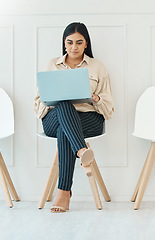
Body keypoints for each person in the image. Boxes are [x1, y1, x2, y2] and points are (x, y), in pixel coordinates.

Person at [33, 22, 114, 213]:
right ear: (64, 43)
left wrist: (96, 98)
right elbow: (38, 104)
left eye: (79, 42)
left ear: (86, 44)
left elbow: (109, 108)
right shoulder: (52, 65)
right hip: (54, 116)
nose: (74, 47)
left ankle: (64, 191)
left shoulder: (98, 67)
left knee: (65, 130)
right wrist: (51, 99)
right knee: (64, 105)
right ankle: (81, 150)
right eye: (69, 42)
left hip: (89, 118)